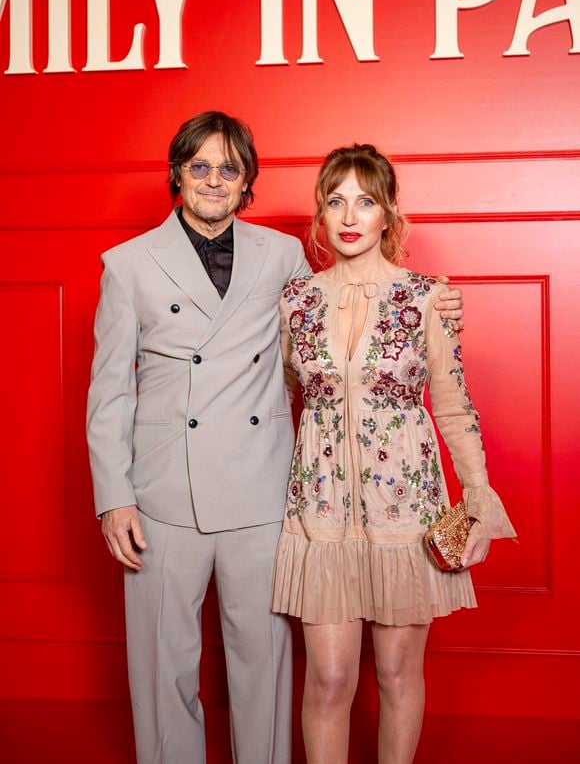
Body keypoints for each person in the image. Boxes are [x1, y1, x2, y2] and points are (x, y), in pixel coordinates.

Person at [86, 113, 464, 764]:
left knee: (262, 666)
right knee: (161, 670)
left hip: (261, 493)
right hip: (160, 495)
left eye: (228, 168)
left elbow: (342, 329)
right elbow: (110, 389)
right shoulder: (126, 266)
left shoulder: (282, 256)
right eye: (198, 166)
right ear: (177, 174)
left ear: (246, 183)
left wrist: (434, 306)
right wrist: (112, 496)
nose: (212, 179)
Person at [271, 143, 516, 764]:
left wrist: (479, 498)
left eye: (366, 200)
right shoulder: (295, 304)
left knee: (397, 676)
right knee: (328, 679)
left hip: (406, 516)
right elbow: (278, 405)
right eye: (335, 201)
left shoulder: (427, 298)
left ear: (388, 214)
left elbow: (455, 406)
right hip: (320, 516)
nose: (349, 216)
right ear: (320, 217)